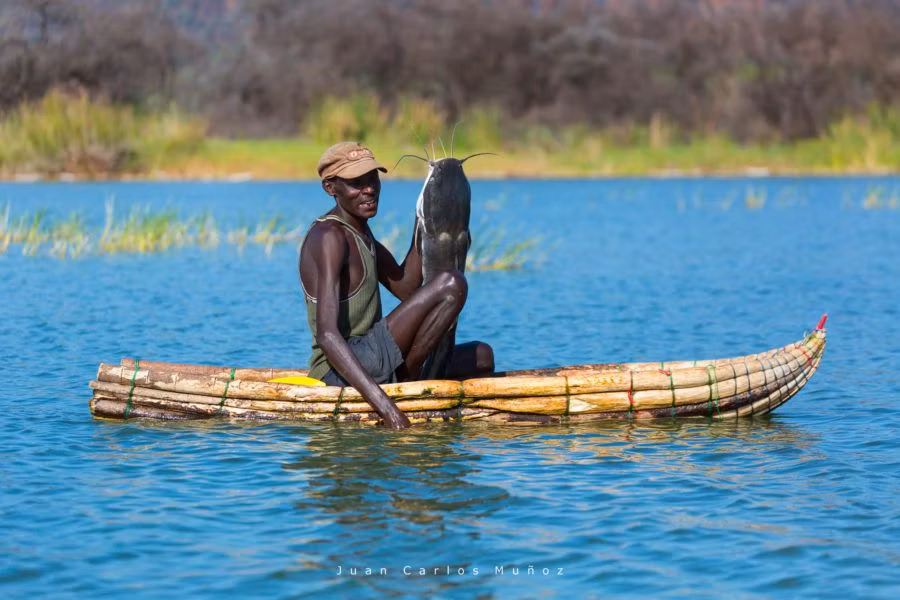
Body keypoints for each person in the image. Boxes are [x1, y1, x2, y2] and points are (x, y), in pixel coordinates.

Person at [299, 141, 494, 429]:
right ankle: (408, 385)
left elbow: (405, 287)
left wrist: (425, 215)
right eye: (356, 183)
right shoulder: (329, 237)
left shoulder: (361, 232)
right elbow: (327, 335)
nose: (369, 189)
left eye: (373, 179)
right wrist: (388, 410)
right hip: (338, 369)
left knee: (482, 357)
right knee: (453, 283)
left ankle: (408, 380)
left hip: (375, 357)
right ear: (331, 188)